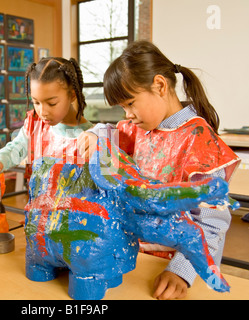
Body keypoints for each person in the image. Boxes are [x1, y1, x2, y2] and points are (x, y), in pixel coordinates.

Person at [78, 40, 240, 300]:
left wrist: (181, 271)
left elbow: (211, 222)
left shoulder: (199, 141)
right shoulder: (140, 128)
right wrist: (95, 134)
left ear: (160, 86)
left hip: (174, 268)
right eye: (122, 108)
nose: (128, 114)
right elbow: (110, 132)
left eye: (130, 103)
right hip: (135, 258)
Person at [0, 57, 92, 182]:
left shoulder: (91, 136)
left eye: (52, 103)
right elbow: (16, 147)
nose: (42, 112)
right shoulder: (34, 125)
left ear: (72, 95)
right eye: (36, 102)